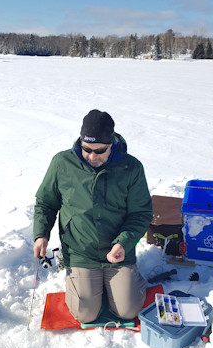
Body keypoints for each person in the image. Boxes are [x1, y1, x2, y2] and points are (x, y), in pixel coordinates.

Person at [33, 109, 153, 323]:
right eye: (86, 149)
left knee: (128, 311)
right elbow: (46, 202)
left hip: (117, 252)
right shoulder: (62, 163)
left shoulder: (131, 167)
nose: (91, 156)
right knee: (85, 314)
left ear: (111, 144)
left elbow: (141, 213)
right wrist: (41, 234)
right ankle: (87, 281)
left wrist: (124, 243)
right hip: (80, 250)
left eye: (99, 151)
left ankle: (118, 283)